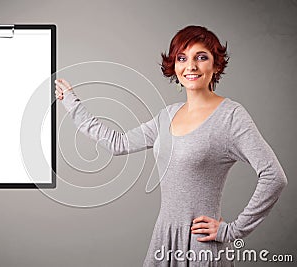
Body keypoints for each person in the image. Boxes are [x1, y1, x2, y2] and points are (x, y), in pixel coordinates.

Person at [54, 25, 288, 266]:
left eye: (202, 57)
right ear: (174, 67)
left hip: (201, 246)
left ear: (216, 65)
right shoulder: (167, 115)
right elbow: (118, 143)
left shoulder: (230, 116)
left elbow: (274, 176)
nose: (191, 66)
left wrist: (232, 231)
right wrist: (73, 103)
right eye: (182, 58)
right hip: (164, 240)